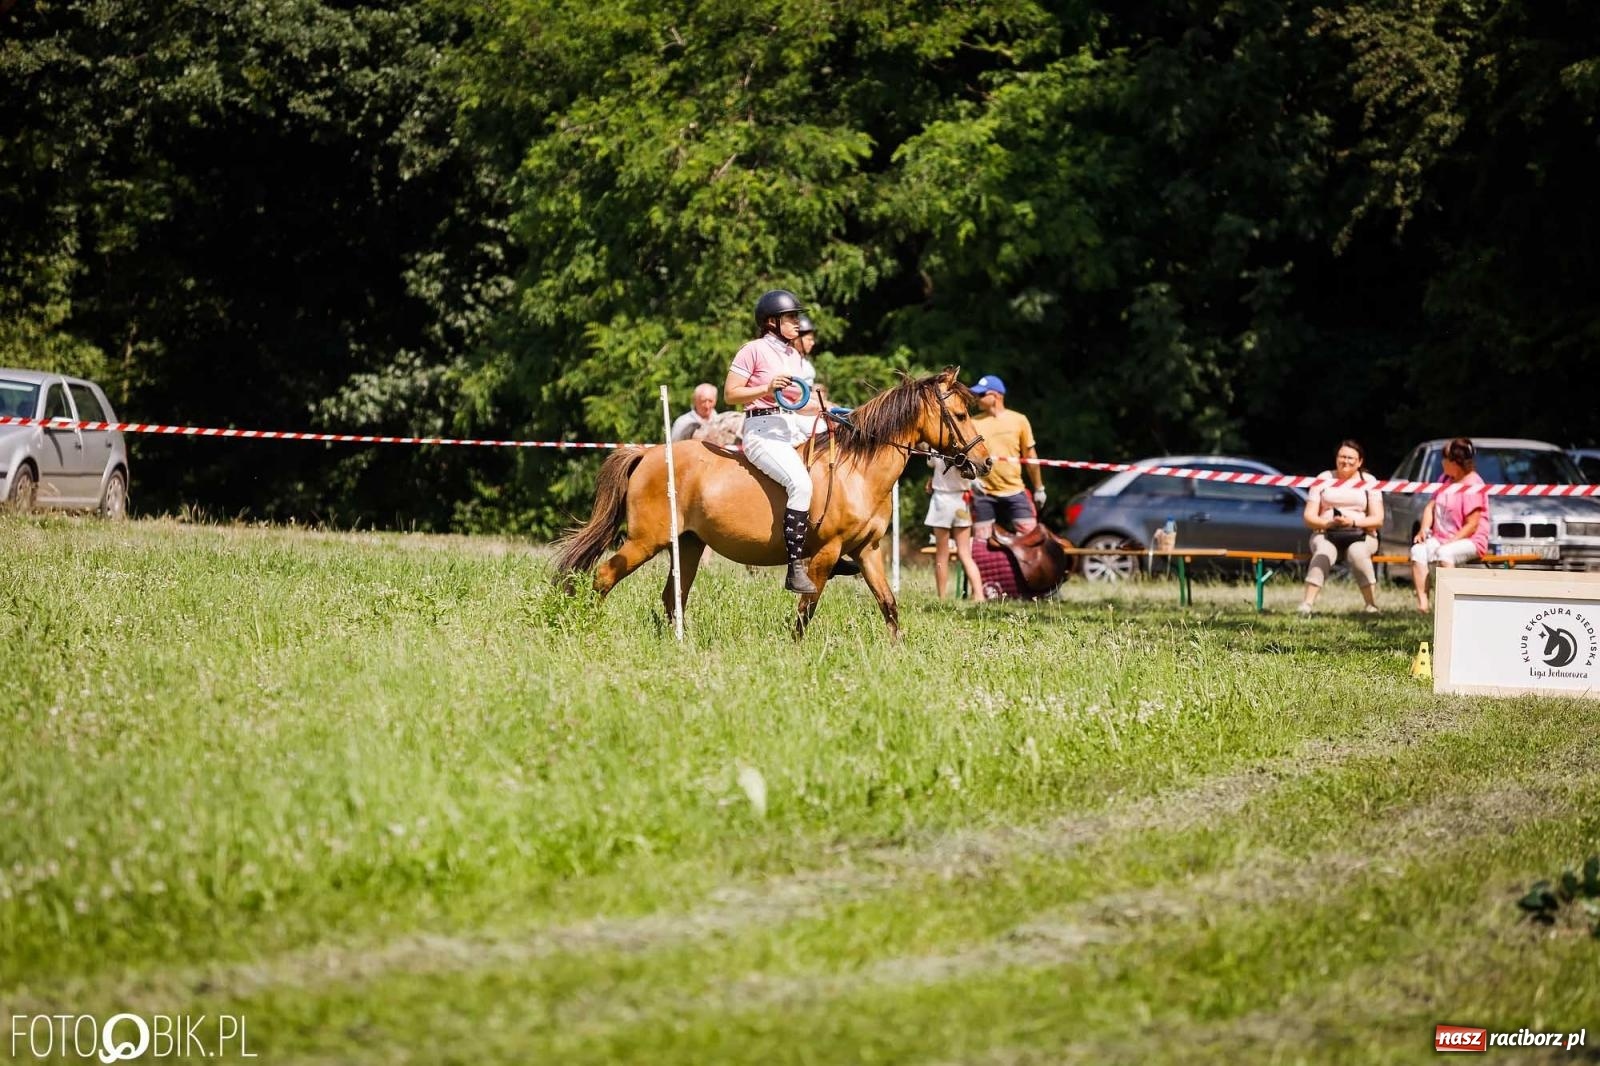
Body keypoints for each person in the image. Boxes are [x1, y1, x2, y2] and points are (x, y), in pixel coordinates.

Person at [723, 289, 822, 593]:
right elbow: (730, 394)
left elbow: (798, 402)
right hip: (763, 431)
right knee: (802, 485)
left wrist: (832, 410)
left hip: (790, 427)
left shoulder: (793, 356)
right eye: (791, 317)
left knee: (829, 471)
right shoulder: (751, 350)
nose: (797, 323)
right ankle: (795, 567)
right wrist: (765, 387)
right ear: (771, 322)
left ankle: (824, 547)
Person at [1298, 440, 1383, 615]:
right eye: (1342, 456)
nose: (1345, 461)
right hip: (1326, 532)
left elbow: (1378, 519)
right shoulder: (1323, 478)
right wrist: (1328, 524)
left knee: (1358, 552)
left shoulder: (1370, 481)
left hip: (1361, 533)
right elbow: (1309, 516)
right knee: (1323, 551)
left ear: (1360, 462)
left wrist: (1352, 522)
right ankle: (1307, 604)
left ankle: (1371, 605)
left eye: (1350, 458)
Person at [1410, 437, 1490, 612]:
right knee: (1417, 550)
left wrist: (1452, 540)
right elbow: (1430, 506)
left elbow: (1473, 524)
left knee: (1445, 552)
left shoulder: (1473, 484)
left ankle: (1448, 606)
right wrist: (1424, 530)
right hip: (1441, 537)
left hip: (1470, 540)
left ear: (1456, 463)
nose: (1442, 462)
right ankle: (1423, 605)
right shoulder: (1445, 478)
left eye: (1445, 459)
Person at [968, 374, 1045, 544]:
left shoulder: (1019, 420)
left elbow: (1031, 457)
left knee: (1032, 539)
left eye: (981, 395)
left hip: (1015, 491)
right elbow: (966, 457)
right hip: (983, 493)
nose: (976, 399)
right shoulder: (972, 423)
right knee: (981, 544)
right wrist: (971, 480)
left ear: (996, 396)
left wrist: (1039, 488)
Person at [925, 454, 985, 601]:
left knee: (942, 554)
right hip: (961, 501)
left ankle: (942, 597)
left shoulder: (937, 447)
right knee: (965, 553)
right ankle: (979, 594)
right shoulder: (967, 450)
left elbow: (930, 463)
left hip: (942, 500)